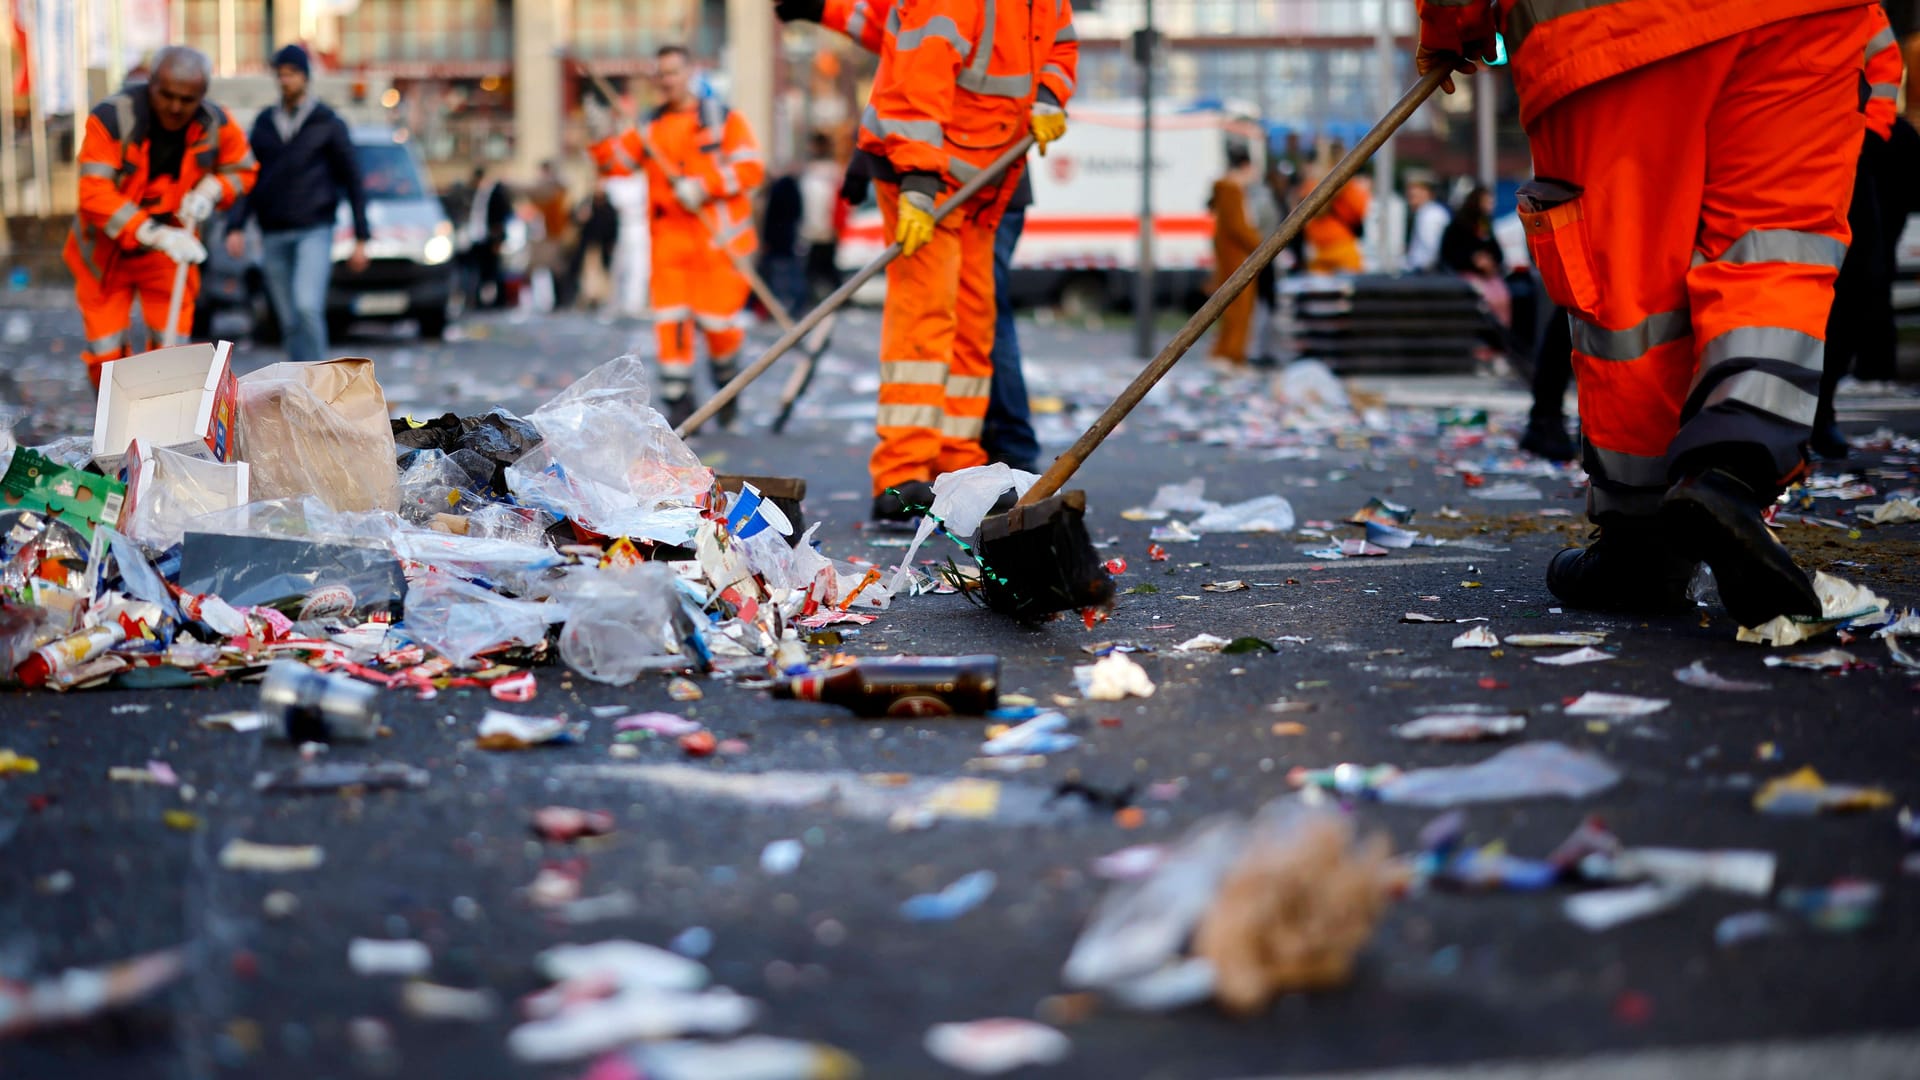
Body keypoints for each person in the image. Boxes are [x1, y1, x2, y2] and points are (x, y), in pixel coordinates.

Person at [1418, 0, 1876, 628]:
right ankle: (1733, 469)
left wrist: (1452, 22)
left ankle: (1641, 542)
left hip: (1609, 21)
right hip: (1805, 17)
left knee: (1630, 283)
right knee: (1773, 250)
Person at [778, 0, 1077, 523]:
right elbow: (918, 72)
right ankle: (901, 476)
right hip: (928, 175)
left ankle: (958, 467)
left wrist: (1051, 94)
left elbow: (1059, 45)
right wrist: (917, 185)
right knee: (926, 315)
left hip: (985, 180)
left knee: (972, 323)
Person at [588, 45, 765, 429]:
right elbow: (615, 166)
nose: (666, 81)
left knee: (720, 329)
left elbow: (751, 169)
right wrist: (600, 135)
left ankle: (725, 386)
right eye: (661, 74)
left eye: (673, 72)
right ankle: (681, 403)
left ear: (691, 73)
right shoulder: (649, 128)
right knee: (671, 326)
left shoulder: (722, 121)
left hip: (717, 246)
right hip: (669, 244)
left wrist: (704, 186)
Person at [65, 46, 256, 386]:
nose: (175, 107)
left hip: (171, 251)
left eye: (187, 99)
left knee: (169, 354)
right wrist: (153, 233)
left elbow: (244, 169)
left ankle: (162, 430)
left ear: (202, 96)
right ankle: (116, 429)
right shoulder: (111, 119)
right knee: (106, 356)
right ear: (150, 83)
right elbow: (94, 194)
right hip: (106, 252)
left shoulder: (215, 124)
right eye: (167, 95)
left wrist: (212, 190)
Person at [224, 44, 368, 363]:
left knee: (307, 307)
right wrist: (236, 225)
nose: (285, 80)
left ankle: (319, 380)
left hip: (313, 229)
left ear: (305, 76)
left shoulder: (327, 122)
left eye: (291, 74)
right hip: (273, 231)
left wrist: (361, 237)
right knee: (288, 319)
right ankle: (298, 383)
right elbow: (249, 177)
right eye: (281, 75)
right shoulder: (264, 123)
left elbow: (353, 179)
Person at [1813, 6, 1907, 458]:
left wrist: (1872, 129)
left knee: (1857, 284)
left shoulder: (1860, 8)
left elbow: (1884, 59)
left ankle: (1820, 408)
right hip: (1788, 145)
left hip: (1850, 147)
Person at [1207, 145, 1263, 368]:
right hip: (1236, 259)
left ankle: (1229, 353)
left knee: (1233, 309)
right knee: (1238, 309)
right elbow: (1238, 227)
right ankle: (1230, 354)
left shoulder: (1226, 190)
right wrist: (1262, 246)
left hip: (1230, 257)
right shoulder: (1232, 191)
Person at [1440, 185, 1512, 327]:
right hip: (1466, 274)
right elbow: (1451, 253)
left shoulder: (1485, 224)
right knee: (1485, 299)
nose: (1490, 206)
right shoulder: (1459, 225)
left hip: (1488, 275)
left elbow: (1496, 251)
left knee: (1503, 297)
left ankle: (1500, 338)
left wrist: (1491, 262)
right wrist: (1473, 260)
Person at [797, 131, 844, 304]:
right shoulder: (809, 170)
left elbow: (839, 201)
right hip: (811, 231)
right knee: (815, 270)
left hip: (826, 230)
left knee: (825, 269)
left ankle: (838, 299)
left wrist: (837, 226)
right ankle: (815, 300)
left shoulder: (832, 171)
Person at [757, 168, 809, 318]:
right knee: (791, 274)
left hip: (777, 243)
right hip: (789, 239)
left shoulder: (777, 192)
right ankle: (792, 306)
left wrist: (767, 241)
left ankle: (779, 308)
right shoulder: (792, 191)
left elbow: (770, 221)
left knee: (780, 276)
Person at [1301, 162, 1369, 274]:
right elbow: (1360, 210)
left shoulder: (1313, 185)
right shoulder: (1348, 188)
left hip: (1331, 249)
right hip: (1328, 249)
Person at [528, 160, 574, 312]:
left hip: (553, 236)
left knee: (556, 271)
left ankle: (559, 301)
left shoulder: (555, 191)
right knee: (544, 271)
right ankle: (548, 301)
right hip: (544, 236)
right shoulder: (543, 192)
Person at [466, 164, 512, 309]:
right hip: (480, 237)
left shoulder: (495, 193)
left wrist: (498, 238)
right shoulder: (478, 194)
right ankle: (482, 300)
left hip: (492, 237)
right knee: (483, 271)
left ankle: (499, 300)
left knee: (494, 270)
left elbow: (502, 215)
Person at [1404, 174, 1451, 273]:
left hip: (1425, 273)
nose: (1410, 197)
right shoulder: (1429, 212)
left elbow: (1432, 249)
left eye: (1414, 194)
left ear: (1427, 193)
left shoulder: (1429, 215)